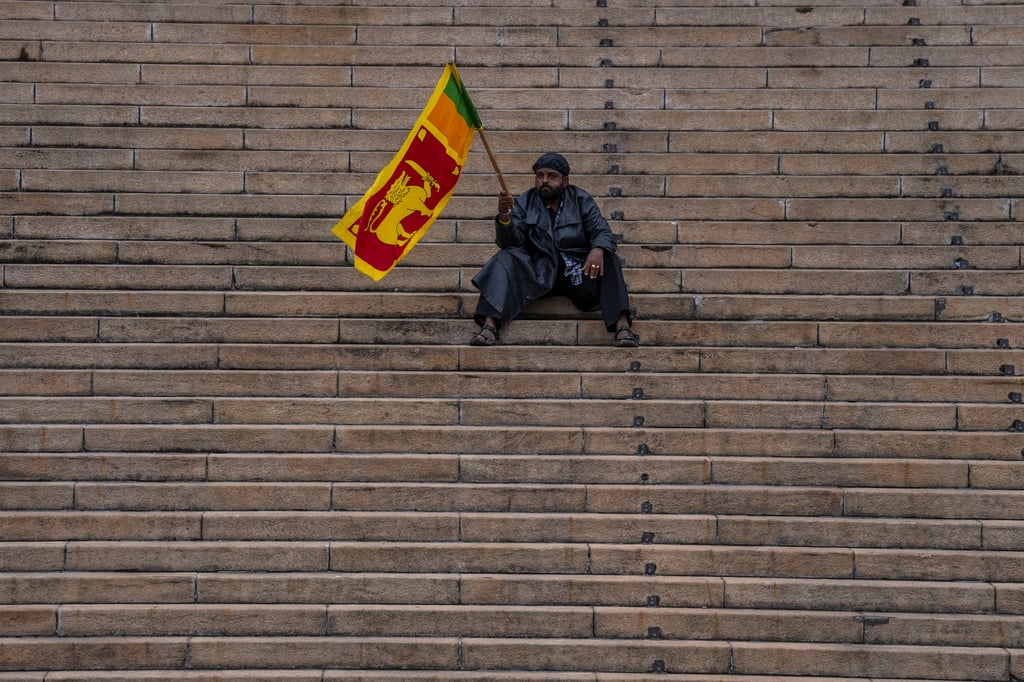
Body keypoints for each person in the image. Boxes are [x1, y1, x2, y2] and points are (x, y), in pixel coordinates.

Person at [469, 152, 639, 347]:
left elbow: (601, 230)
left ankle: (623, 326)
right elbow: (511, 242)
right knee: (505, 257)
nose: (544, 181)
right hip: (538, 271)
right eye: (540, 176)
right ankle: (489, 326)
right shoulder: (525, 202)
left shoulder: (580, 199)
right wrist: (504, 216)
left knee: (609, 260)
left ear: (564, 181)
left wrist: (599, 248)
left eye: (551, 176)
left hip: (576, 271)